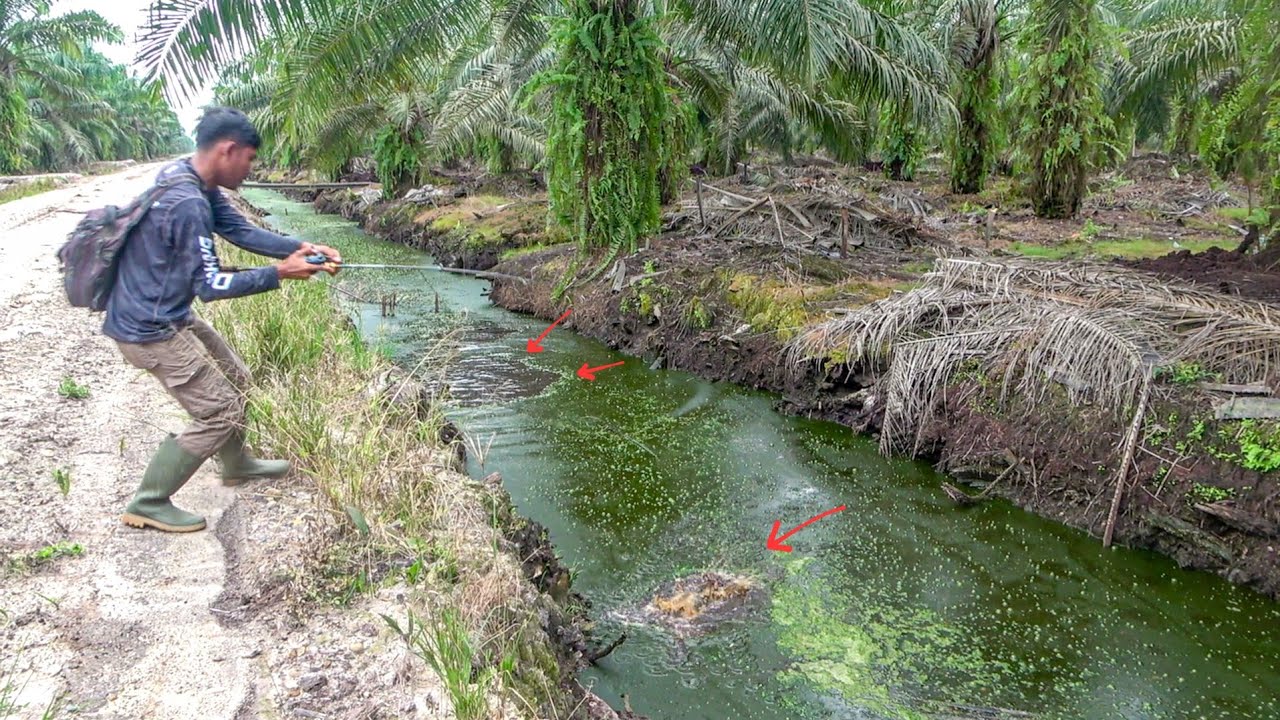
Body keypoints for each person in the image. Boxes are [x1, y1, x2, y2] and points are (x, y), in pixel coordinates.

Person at [104, 106, 341, 533]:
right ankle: (149, 501)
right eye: (249, 159)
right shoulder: (187, 203)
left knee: (236, 376)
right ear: (228, 150)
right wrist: (280, 273)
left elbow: (239, 229)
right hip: (149, 329)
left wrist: (303, 247)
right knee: (219, 411)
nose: (251, 169)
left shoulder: (190, 177)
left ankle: (236, 463)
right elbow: (211, 286)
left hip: (165, 313)